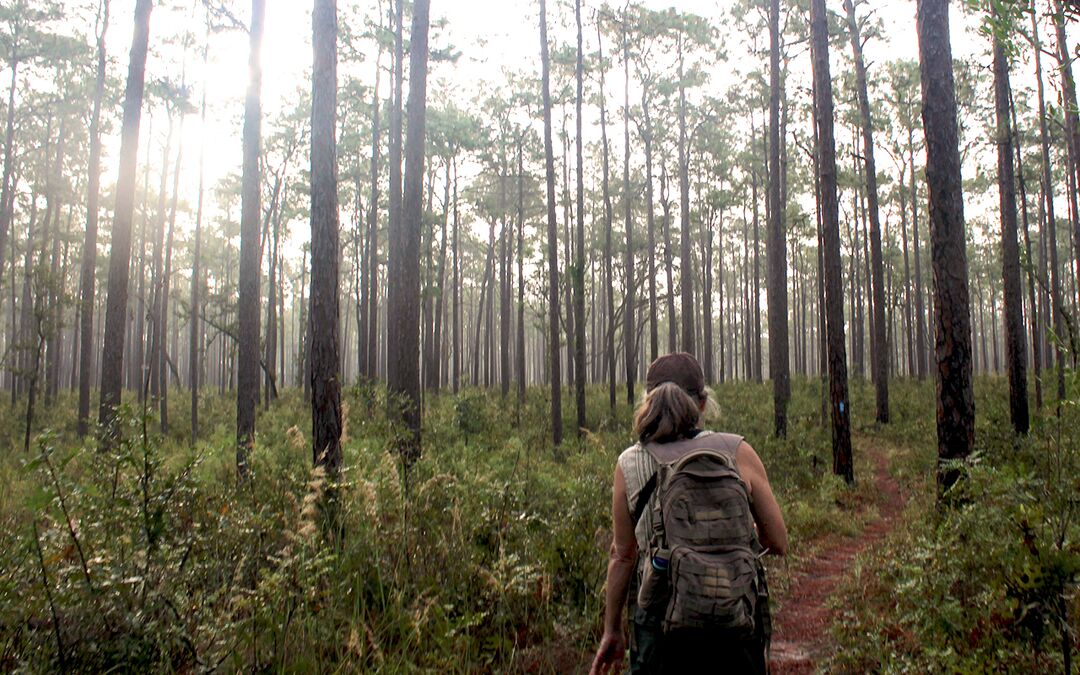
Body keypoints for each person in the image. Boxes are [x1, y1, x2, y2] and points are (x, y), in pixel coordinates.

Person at [589, 352, 788, 675]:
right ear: (703, 403)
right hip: (735, 618)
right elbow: (778, 541)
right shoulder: (738, 450)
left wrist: (612, 630)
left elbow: (623, 556)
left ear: (647, 403)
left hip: (661, 627)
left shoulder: (628, 463)